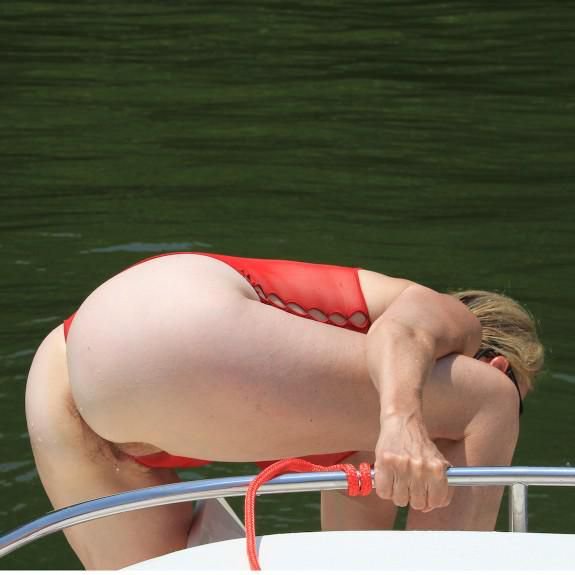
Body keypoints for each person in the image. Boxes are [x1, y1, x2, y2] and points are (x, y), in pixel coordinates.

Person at [25, 252, 543, 569]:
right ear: (498, 363)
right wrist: (403, 421)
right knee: (487, 401)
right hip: (175, 320)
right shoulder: (447, 318)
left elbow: (348, 554)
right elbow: (404, 332)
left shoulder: (341, 421)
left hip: (66, 367)